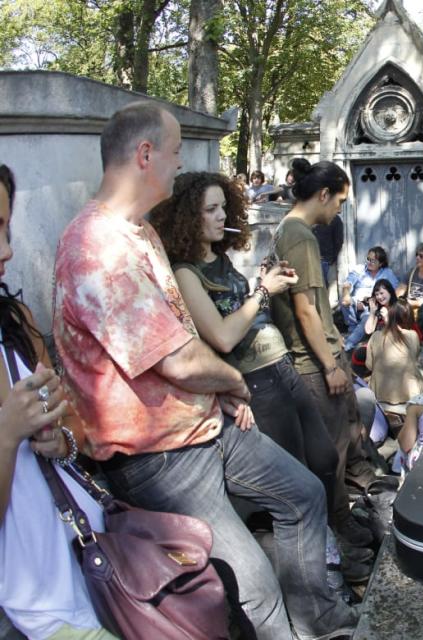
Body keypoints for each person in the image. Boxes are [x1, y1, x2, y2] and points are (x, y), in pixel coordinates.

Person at [52, 104, 357, 638]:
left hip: (207, 424)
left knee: (305, 493)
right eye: (174, 153)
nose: (178, 165)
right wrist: (235, 382)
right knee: (255, 586)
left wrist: (219, 395)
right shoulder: (95, 248)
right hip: (160, 458)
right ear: (145, 154)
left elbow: (184, 334)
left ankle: (318, 619)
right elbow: (177, 358)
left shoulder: (140, 233)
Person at [0, 164, 117, 639]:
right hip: (33, 605)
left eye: (7, 228)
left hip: (89, 561)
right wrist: (8, 435)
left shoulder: (15, 320)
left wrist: (60, 437)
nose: (7, 250)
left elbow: (74, 432)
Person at [269, 158, 381, 564]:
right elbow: (305, 310)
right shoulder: (300, 236)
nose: (340, 209)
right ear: (322, 194)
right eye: (339, 200)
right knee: (330, 451)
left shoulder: (292, 230)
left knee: (351, 436)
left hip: (324, 355)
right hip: (315, 364)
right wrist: (330, 366)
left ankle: (365, 501)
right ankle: (339, 525)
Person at [366, 301, 423, 412]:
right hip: (409, 396)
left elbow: (369, 365)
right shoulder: (412, 336)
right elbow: (414, 359)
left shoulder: (376, 336)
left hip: (380, 395)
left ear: (390, 316)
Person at [341, 246, 399, 351]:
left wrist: (375, 302)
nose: (369, 262)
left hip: (374, 304)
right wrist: (346, 295)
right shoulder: (359, 269)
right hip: (356, 303)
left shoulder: (387, 273)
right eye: (368, 259)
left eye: (373, 261)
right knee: (345, 302)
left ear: (380, 263)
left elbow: (395, 290)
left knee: (367, 317)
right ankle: (352, 328)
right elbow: (347, 284)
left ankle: (349, 342)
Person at [312, 211, 344, 285]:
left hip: (324, 259)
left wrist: (331, 258)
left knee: (321, 285)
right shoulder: (311, 216)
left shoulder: (335, 219)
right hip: (309, 258)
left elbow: (338, 241)